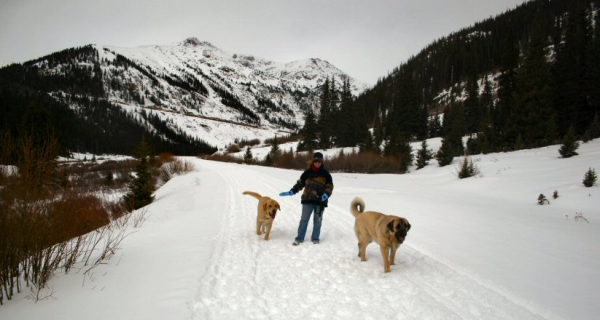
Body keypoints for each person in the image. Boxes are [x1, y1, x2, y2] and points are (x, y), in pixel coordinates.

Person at [279, 152, 334, 245]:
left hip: (320, 201)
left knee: (318, 220)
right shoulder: (307, 172)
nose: (317, 162)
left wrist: (326, 194)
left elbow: (330, 186)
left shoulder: (326, 174)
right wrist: (292, 191)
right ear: (313, 161)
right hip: (307, 199)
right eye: (316, 160)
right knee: (304, 219)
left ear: (322, 161)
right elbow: (300, 183)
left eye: (319, 161)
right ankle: (299, 238)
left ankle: (315, 239)